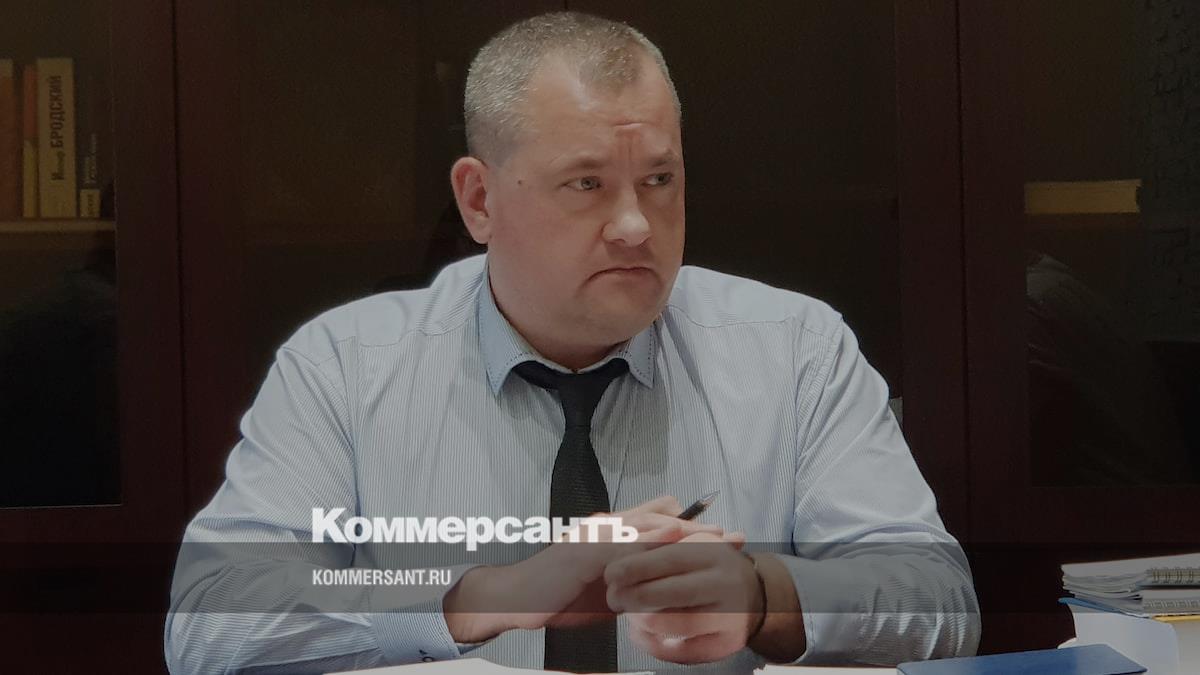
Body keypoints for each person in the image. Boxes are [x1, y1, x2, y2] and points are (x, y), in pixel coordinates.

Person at [165, 11, 980, 674]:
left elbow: (938, 599)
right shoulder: (344, 365)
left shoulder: (795, 348)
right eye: (586, 183)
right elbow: (211, 618)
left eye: (658, 180)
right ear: (479, 200)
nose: (634, 225)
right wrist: (483, 594)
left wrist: (764, 593)